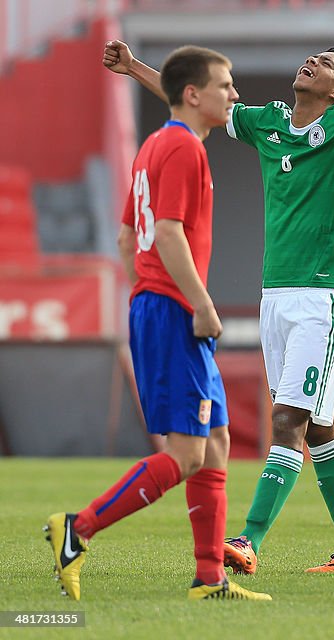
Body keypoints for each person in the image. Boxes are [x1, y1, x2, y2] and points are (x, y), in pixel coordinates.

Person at [102, 40, 334, 574]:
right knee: (318, 426)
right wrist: (132, 67)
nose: (313, 63)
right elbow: (203, 104)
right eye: (314, 57)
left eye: (327, 64)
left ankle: (249, 540)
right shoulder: (269, 122)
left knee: (287, 419)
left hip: (323, 296)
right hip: (275, 295)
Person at [46, 46, 270, 601]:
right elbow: (166, 233)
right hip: (174, 311)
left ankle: (209, 578)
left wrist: (146, 289)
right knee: (188, 452)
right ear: (193, 94)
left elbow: (129, 237)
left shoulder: (155, 145)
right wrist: (196, 302)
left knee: (215, 442)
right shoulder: (184, 149)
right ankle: (77, 529)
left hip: (157, 304)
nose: (234, 95)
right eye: (225, 85)